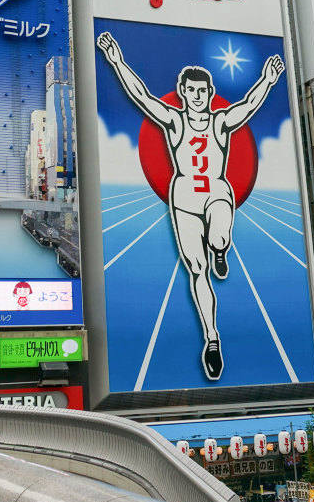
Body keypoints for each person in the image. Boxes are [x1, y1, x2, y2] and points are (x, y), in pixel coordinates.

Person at [96, 31, 286, 380]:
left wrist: (268, 80)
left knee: (218, 237)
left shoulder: (220, 122)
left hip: (216, 191)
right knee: (197, 270)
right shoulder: (174, 121)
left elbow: (248, 105)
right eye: (191, 91)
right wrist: (116, 61)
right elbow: (141, 96)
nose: (197, 96)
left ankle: (220, 249)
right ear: (183, 92)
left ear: (210, 94)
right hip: (184, 197)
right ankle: (212, 339)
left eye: (203, 91)